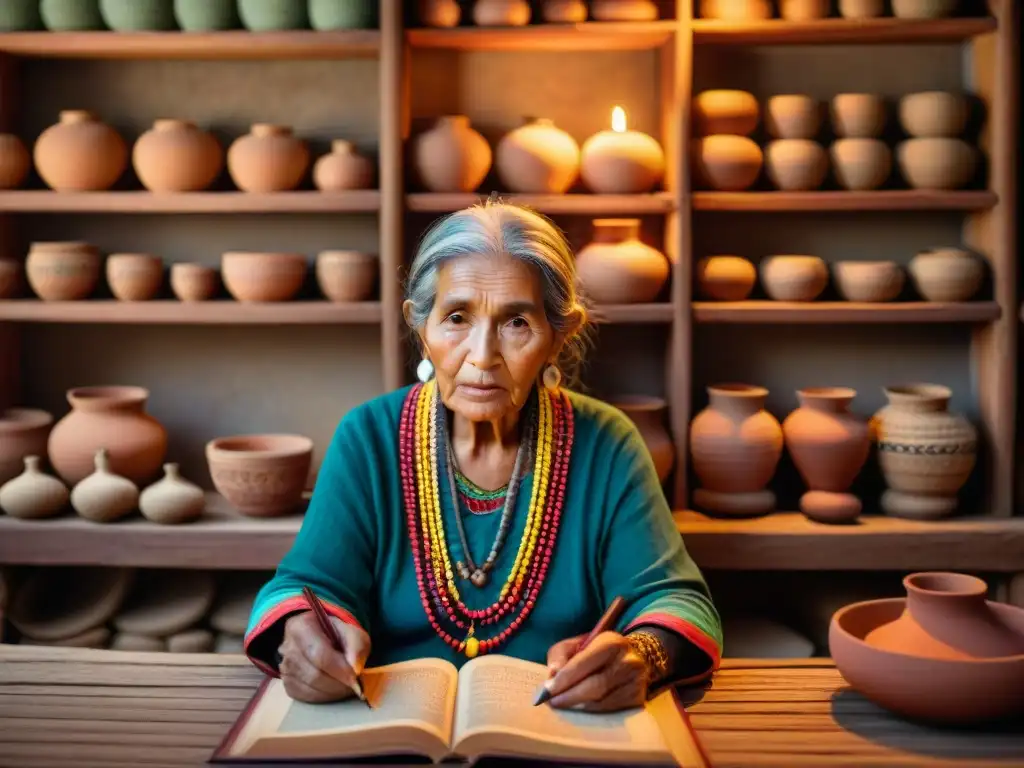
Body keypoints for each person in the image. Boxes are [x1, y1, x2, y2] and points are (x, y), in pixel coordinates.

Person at [244, 201, 723, 713]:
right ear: (420, 326)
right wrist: (304, 635)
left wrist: (643, 654)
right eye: (456, 318)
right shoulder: (370, 438)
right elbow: (302, 586)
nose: (482, 355)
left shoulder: (605, 443)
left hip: (556, 731)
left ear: (559, 334)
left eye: (516, 322)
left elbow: (679, 601)